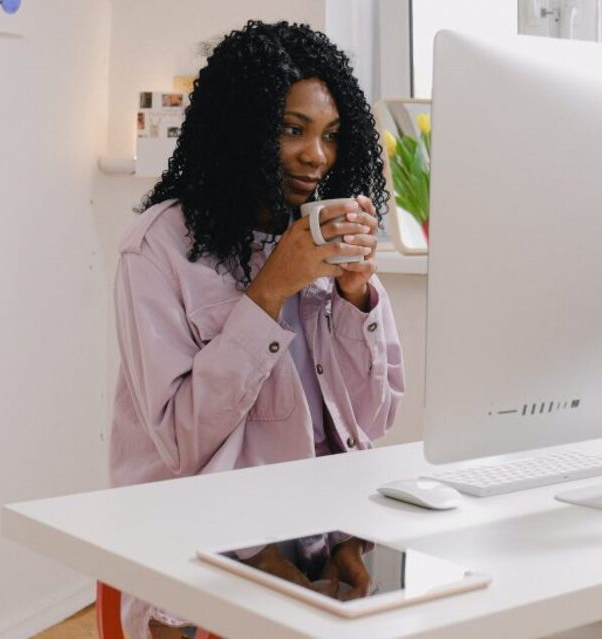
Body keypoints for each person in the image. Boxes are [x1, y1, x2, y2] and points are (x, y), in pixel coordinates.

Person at [109, 20, 405, 639]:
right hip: (193, 542)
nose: (316, 156)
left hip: (317, 533)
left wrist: (356, 298)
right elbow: (182, 442)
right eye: (291, 129)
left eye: (329, 135)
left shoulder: (323, 236)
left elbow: (373, 419)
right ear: (240, 130)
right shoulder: (160, 249)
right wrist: (269, 290)